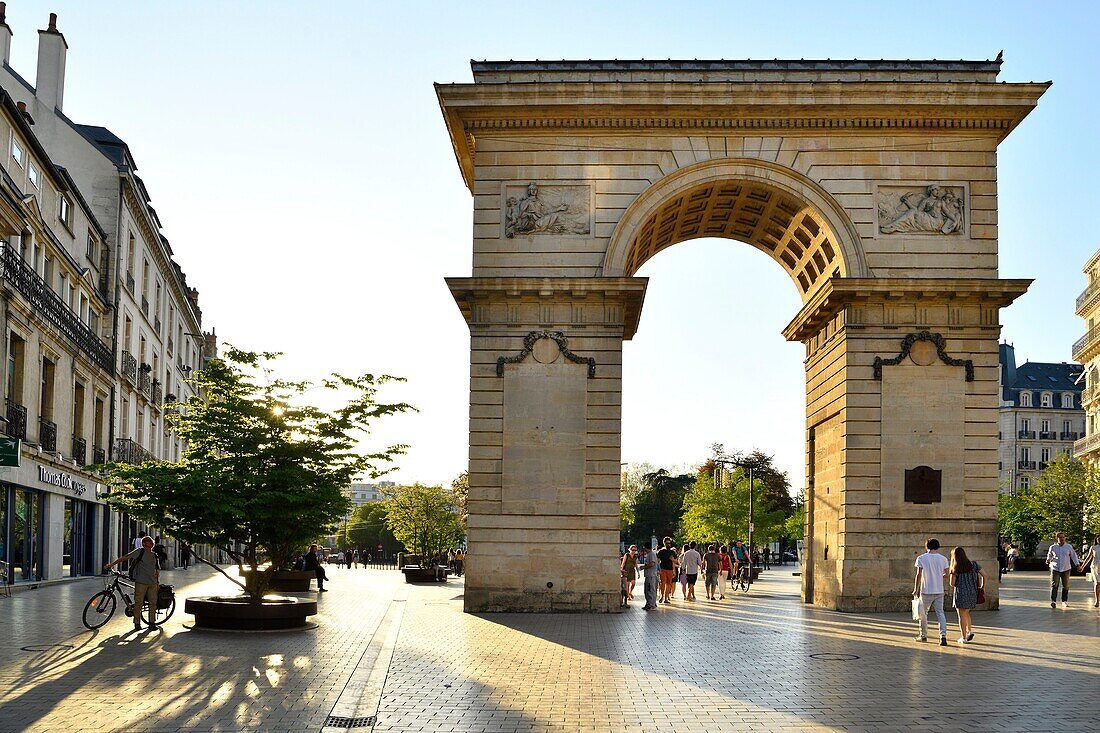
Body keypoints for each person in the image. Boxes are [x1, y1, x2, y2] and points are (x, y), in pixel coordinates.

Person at [104, 535, 160, 630]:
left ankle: (152, 623)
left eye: (150, 541)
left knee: (152, 603)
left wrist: (157, 582)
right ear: (143, 543)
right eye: (147, 541)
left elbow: (157, 570)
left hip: (152, 583)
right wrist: (111, 565)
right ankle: (137, 624)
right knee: (139, 603)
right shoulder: (139, 551)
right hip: (141, 582)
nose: (149, 542)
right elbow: (125, 557)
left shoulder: (154, 555)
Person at [912, 538, 950, 646]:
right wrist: (939, 576)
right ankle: (943, 636)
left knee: (923, 614)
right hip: (939, 590)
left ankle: (923, 635)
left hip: (925, 590)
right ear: (938, 546)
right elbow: (947, 574)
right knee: (940, 613)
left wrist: (916, 589)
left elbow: (918, 575)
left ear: (926, 546)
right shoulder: (943, 559)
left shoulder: (921, 558)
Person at [949, 546, 984, 645]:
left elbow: (952, 583)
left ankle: (963, 637)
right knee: (967, 612)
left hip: (961, 593)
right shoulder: (974, 564)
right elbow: (985, 575)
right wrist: (982, 587)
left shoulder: (955, 568)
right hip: (972, 592)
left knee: (961, 615)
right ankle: (969, 631)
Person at [1046, 532, 1082, 608]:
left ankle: (1064, 601)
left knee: (1066, 585)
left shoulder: (1068, 547)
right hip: (1055, 568)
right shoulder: (1053, 547)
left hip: (1066, 569)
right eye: (1060, 537)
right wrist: (1048, 560)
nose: (1062, 539)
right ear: (1057, 538)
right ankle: (1053, 601)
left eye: (1063, 537)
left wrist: (1077, 565)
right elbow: (1049, 556)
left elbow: (1074, 556)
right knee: (1054, 585)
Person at [1078, 534, 1100, 609]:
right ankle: (1097, 600)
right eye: (1098, 539)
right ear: (1096, 540)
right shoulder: (1093, 548)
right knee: (1097, 583)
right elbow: (1088, 558)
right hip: (1095, 567)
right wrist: (1082, 566)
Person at [656, 537, 677, 603]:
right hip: (663, 569)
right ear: (664, 543)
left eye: (669, 543)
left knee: (669, 584)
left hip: (670, 570)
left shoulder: (672, 552)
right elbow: (658, 561)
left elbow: (676, 562)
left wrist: (674, 570)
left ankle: (666, 598)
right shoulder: (661, 552)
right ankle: (662, 596)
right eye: (667, 543)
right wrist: (658, 570)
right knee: (663, 583)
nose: (669, 544)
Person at [641, 541, 658, 611]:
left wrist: (644, 567)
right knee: (647, 590)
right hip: (648, 575)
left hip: (651, 575)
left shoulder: (651, 554)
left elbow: (652, 564)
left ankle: (652, 605)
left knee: (651, 590)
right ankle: (649, 603)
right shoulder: (649, 554)